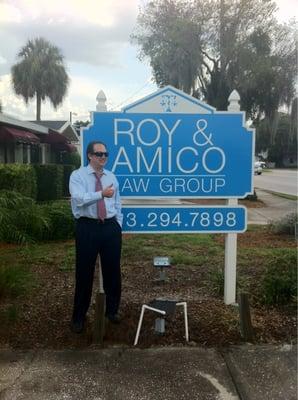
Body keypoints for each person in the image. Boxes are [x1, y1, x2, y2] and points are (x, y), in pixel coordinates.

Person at [69, 140, 123, 333]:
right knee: (84, 273)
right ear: (90, 156)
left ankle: (112, 311)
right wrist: (101, 193)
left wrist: (118, 224)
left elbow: (117, 203)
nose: (103, 157)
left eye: (105, 154)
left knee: (113, 272)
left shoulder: (111, 176)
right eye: (99, 154)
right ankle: (79, 317)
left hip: (109, 227)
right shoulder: (78, 176)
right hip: (87, 227)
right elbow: (79, 199)